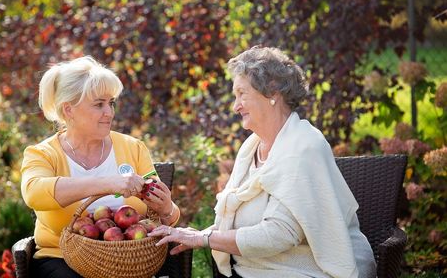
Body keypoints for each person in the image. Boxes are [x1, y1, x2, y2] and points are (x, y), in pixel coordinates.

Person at [149, 46, 376, 278]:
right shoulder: (251, 148)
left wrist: (203, 239)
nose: (235, 106)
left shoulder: (304, 148)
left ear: (272, 93)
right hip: (251, 270)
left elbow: (280, 234)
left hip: (305, 271)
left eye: (242, 94)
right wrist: (201, 233)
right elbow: (239, 224)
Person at [21, 56, 180, 278]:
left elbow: (165, 215)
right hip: (62, 260)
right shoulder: (43, 154)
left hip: (129, 261)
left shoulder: (133, 148)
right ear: (69, 110)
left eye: (111, 103)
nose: (110, 112)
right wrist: (108, 183)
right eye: (99, 104)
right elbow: (34, 192)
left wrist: (166, 210)